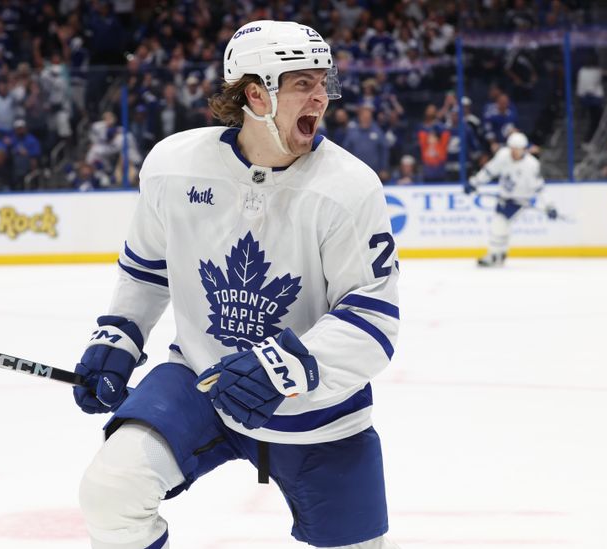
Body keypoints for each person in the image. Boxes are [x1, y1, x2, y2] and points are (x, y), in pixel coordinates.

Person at [73, 20, 401, 549]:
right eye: (302, 83)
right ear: (255, 93)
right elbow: (146, 268)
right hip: (200, 381)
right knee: (112, 489)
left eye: (323, 82)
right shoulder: (174, 167)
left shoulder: (349, 187)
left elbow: (373, 321)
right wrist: (120, 335)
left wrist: (284, 364)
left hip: (318, 409)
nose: (321, 96)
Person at [464, 131, 558, 267]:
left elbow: (539, 189)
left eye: (518, 149)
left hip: (518, 200)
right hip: (504, 198)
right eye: (512, 148)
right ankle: (500, 253)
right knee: (502, 226)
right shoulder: (503, 155)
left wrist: (550, 206)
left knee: (499, 223)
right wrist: (474, 182)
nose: (514, 152)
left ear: (524, 149)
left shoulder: (531, 165)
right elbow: (490, 170)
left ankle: (494, 255)